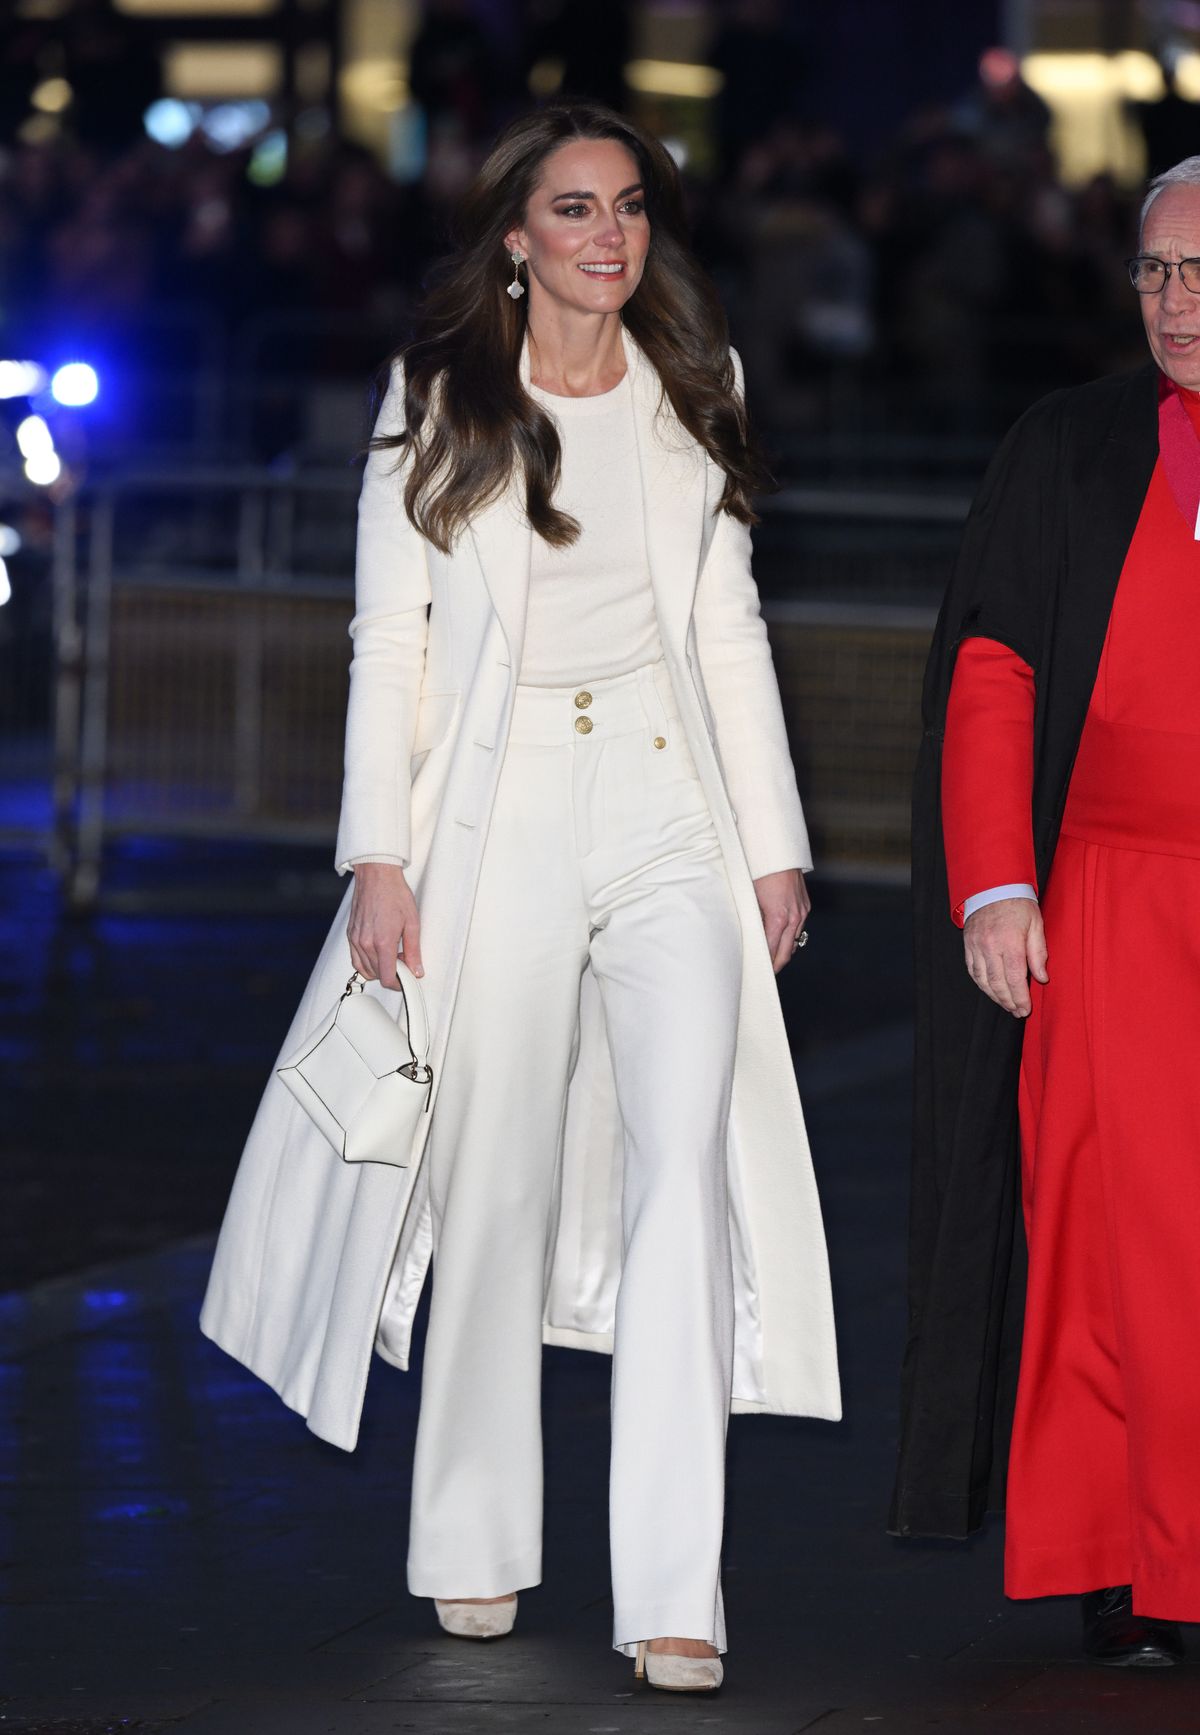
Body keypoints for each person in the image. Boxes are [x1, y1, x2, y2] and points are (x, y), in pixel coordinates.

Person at [201, 101, 840, 1694]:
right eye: (574, 209)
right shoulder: (437, 398)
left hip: (665, 802)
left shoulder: (699, 386)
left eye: (627, 208)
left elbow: (730, 629)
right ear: (515, 235)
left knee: (684, 1171)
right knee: (487, 1178)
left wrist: (777, 844)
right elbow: (390, 640)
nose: (609, 237)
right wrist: (379, 861)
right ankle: (477, 1541)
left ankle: (674, 1592)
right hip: (499, 814)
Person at [893, 154, 1200, 1669]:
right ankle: (1127, 1564)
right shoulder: (1068, 443)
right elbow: (996, 674)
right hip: (1111, 901)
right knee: (1101, 1238)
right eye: (1153, 271)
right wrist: (996, 885)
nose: (1176, 301)